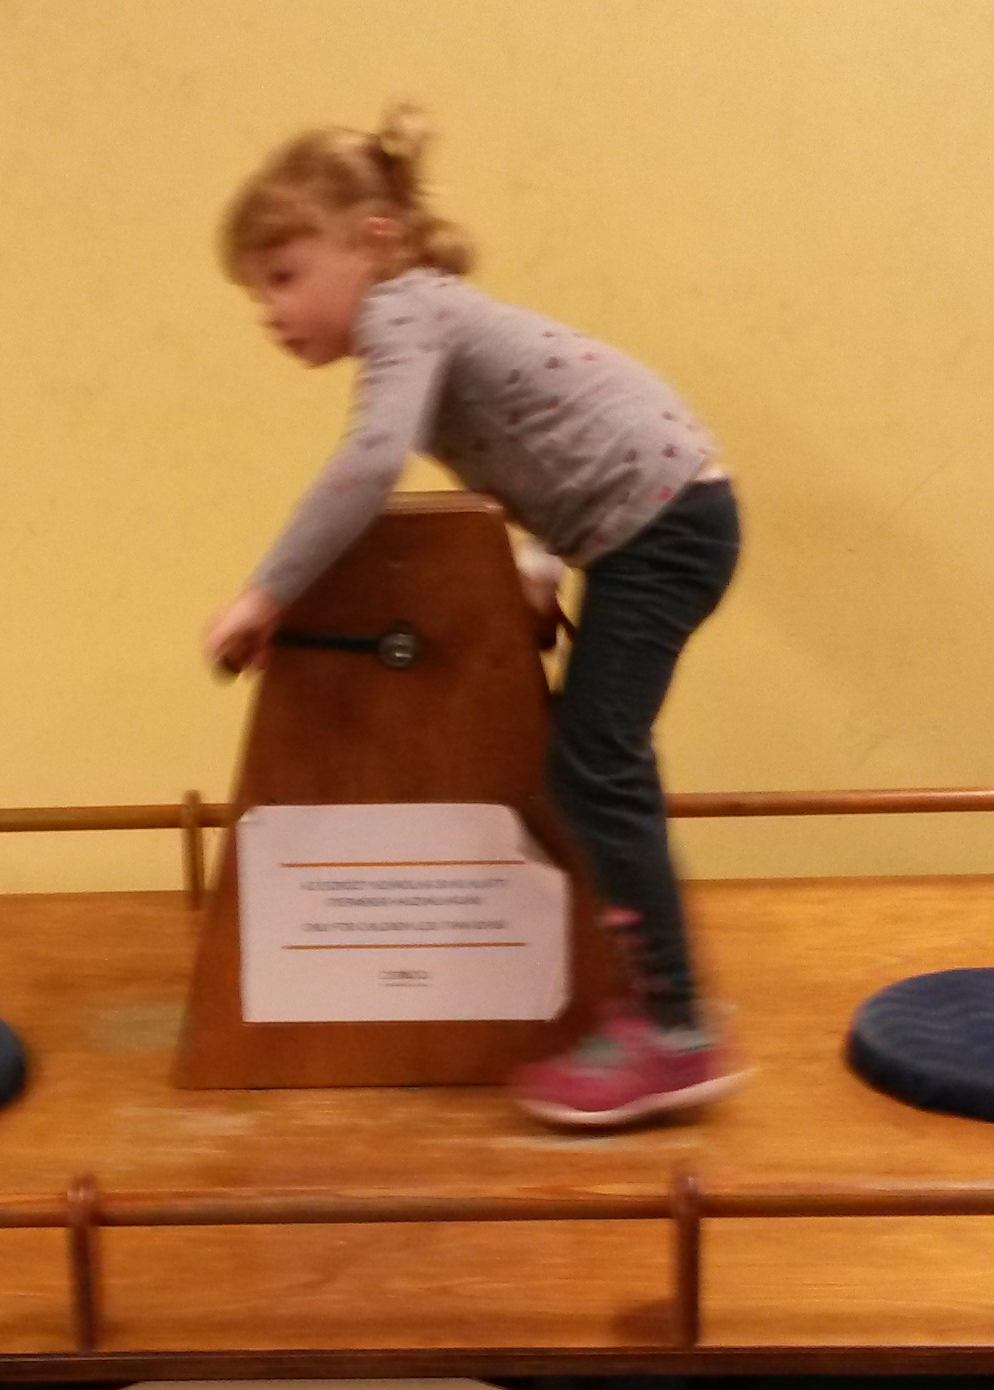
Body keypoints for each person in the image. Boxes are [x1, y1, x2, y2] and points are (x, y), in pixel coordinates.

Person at [202, 105, 746, 1129]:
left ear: (372, 241)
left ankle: (674, 1028)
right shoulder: (433, 318)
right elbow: (549, 444)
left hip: (664, 527)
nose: (269, 311)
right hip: (658, 518)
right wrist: (538, 562)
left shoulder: (404, 311)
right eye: (255, 291)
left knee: (595, 765)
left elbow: (371, 463)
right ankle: (659, 1001)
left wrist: (267, 591)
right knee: (591, 762)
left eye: (283, 276)